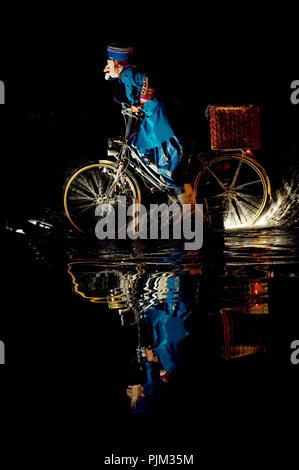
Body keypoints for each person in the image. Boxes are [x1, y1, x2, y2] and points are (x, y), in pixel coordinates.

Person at [103, 43, 194, 205]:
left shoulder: (130, 72)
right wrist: (110, 75)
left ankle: (190, 207)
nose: (107, 65)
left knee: (167, 166)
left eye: (110, 61)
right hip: (152, 118)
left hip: (159, 119)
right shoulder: (125, 74)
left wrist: (142, 102)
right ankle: (168, 190)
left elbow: (147, 79)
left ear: (118, 62)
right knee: (139, 147)